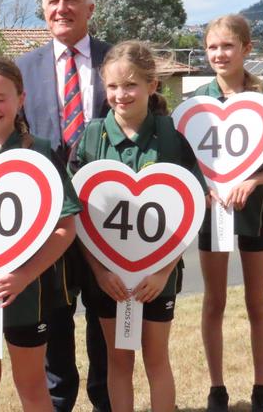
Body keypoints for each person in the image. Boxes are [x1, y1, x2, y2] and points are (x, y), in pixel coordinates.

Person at [68, 40, 209, 412]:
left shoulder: (172, 139)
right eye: (112, 87)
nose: (120, 94)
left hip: (155, 279)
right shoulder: (91, 137)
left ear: (152, 85)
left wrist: (162, 272)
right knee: (118, 361)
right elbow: (76, 214)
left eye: (130, 85)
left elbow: (192, 208)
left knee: (156, 360)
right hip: (107, 278)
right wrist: (99, 271)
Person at [0, 55, 81, 412]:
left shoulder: (39, 151)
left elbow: (66, 228)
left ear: (21, 98)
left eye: (0, 97)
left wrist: (23, 276)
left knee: (33, 387)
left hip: (28, 295)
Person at [15, 0, 111, 412]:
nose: (61, 9)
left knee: (104, 311)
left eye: (71, 0)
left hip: (107, 216)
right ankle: (59, 401)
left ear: (90, 9)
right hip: (48, 220)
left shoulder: (117, 64)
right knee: (53, 316)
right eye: (52, 1)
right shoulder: (22, 70)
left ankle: (106, 397)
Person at [194, 14, 263, 412]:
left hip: (256, 214)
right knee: (213, 300)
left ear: (246, 49)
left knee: (257, 299)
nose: (219, 54)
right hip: (211, 215)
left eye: (227, 46)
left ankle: (261, 388)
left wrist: (254, 181)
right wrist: (203, 190)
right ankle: (216, 389)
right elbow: (187, 165)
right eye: (212, 47)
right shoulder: (197, 101)